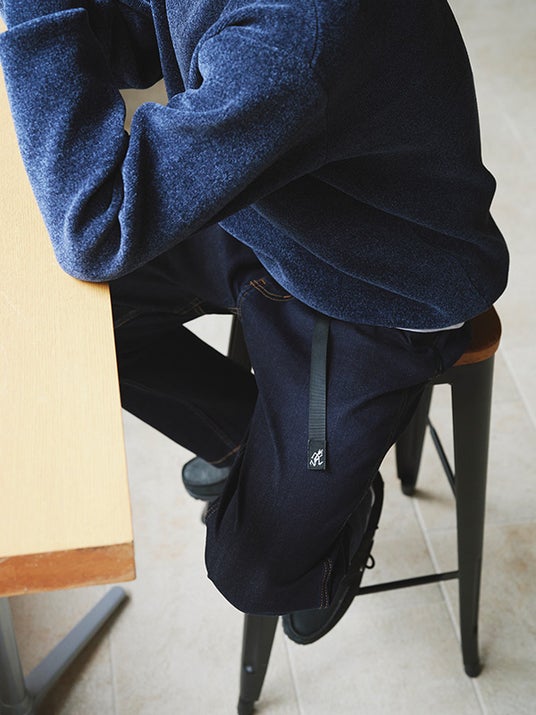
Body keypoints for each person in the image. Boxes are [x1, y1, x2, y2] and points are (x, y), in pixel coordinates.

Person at [0, 0, 508, 643]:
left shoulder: (295, 34)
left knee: (250, 573)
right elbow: (139, 34)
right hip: (275, 212)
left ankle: (333, 490)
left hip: (378, 290)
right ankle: (254, 443)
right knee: (53, 316)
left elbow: (97, 231)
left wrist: (39, 17)